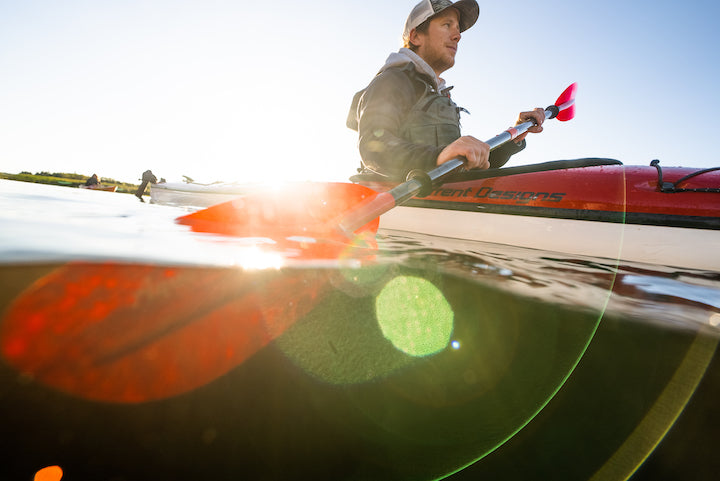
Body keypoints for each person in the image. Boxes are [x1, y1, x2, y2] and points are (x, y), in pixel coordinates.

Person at [347, 0, 545, 179]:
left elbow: (464, 167)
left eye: (458, 28)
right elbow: (373, 148)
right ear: (416, 36)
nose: (457, 36)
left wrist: (514, 138)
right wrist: (438, 157)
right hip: (405, 206)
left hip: (444, 201)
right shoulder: (392, 81)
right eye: (446, 25)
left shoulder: (438, 95)